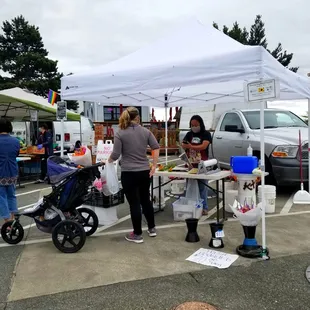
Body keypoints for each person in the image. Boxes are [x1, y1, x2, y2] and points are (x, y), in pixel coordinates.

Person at [108, 107, 160, 244]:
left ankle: (137, 234)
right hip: (144, 171)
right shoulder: (145, 131)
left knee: (134, 203)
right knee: (145, 200)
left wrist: (107, 162)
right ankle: (152, 228)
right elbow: (156, 147)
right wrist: (153, 165)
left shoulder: (120, 133)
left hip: (129, 173)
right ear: (138, 118)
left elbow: (116, 154)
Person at [182, 115, 212, 215]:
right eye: (192, 125)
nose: (194, 127)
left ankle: (204, 207)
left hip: (202, 164)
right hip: (191, 165)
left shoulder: (206, 134)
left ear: (201, 124)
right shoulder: (189, 134)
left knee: (203, 187)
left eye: (196, 125)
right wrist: (184, 146)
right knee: (189, 186)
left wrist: (191, 146)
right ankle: (191, 206)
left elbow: (204, 146)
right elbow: (184, 145)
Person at [0, 119, 20, 224]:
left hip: (0, 173)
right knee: (11, 195)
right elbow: (16, 154)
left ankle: (7, 221)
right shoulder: (16, 141)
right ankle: (12, 219)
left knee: (1, 196)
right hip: (12, 172)